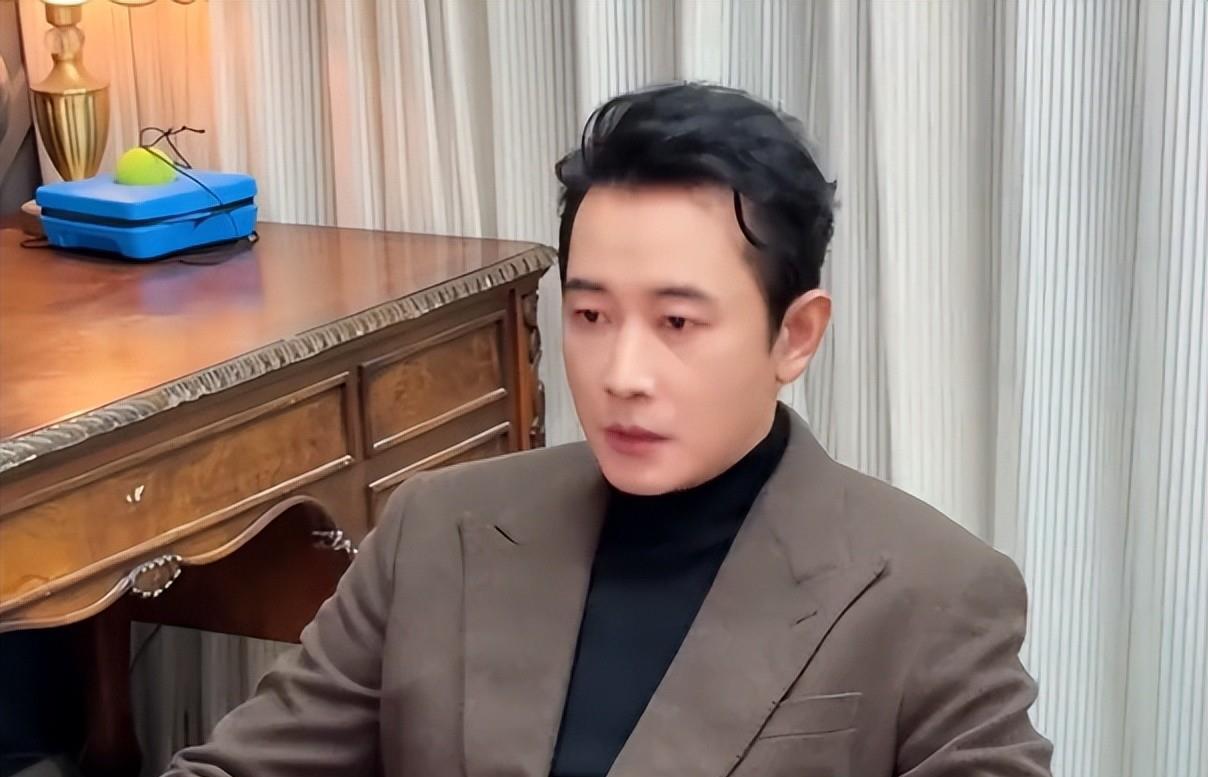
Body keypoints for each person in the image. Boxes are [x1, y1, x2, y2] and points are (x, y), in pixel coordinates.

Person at [165, 83, 1053, 777]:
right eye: (590, 315)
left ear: (796, 334)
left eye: (677, 322)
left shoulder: (935, 595)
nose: (622, 373)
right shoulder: (437, 529)